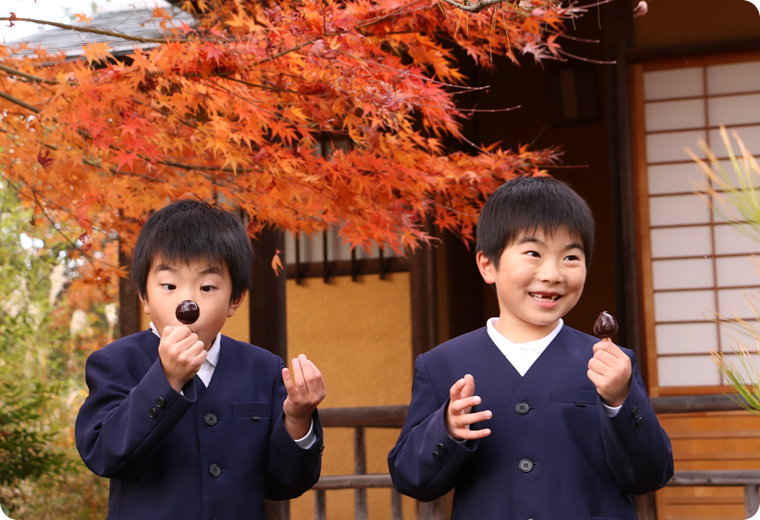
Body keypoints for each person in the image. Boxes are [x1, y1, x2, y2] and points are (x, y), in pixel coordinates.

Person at [388, 176, 673, 519]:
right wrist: (446, 429)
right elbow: (411, 480)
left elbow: (650, 475)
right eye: (533, 253)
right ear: (488, 265)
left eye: (571, 257)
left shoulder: (612, 364)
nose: (553, 274)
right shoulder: (442, 364)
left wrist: (620, 400)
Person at [76, 200, 326, 520]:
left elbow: (286, 483)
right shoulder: (116, 362)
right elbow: (103, 455)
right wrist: (165, 380)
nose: (186, 302)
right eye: (169, 285)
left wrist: (298, 419)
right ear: (144, 295)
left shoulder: (264, 368)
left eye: (207, 286)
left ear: (235, 299)